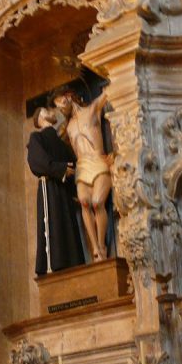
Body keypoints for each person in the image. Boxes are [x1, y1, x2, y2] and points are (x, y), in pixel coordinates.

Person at [56, 89, 113, 260]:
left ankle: (102, 245)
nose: (60, 109)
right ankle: (95, 248)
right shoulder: (68, 127)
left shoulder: (92, 110)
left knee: (97, 202)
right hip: (82, 166)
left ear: (68, 98)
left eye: (61, 103)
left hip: (98, 160)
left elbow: (107, 93)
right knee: (85, 203)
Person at [27, 106, 85, 275]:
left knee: (69, 226)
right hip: (50, 188)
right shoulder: (36, 137)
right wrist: (60, 169)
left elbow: (72, 162)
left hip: (64, 190)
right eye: (46, 110)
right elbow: (37, 162)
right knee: (53, 225)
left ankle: (73, 264)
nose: (51, 112)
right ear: (40, 118)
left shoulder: (60, 142)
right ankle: (54, 266)